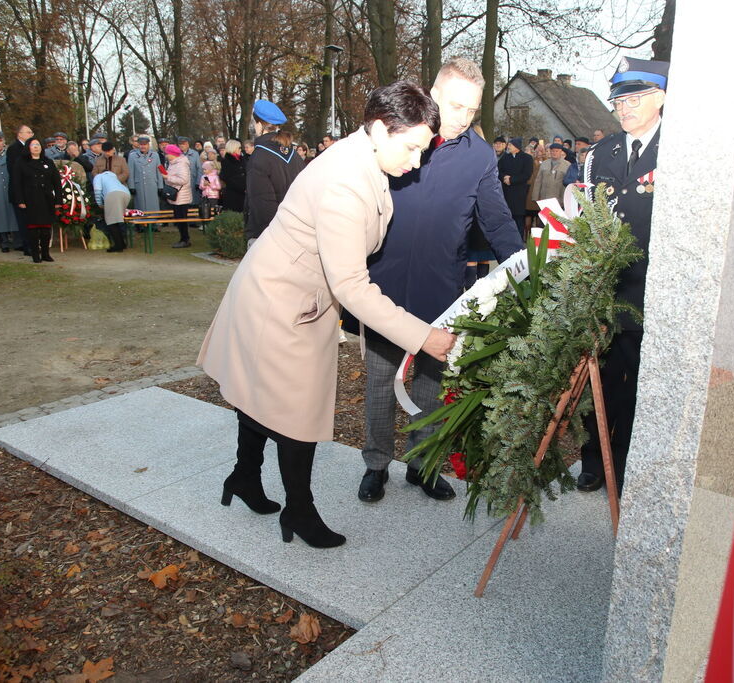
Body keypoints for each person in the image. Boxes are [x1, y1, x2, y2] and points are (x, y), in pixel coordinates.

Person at [198, 81, 455, 548]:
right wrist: (424, 337)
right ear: (380, 128)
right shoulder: (345, 181)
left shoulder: (366, 157)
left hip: (293, 290)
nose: (416, 162)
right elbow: (352, 286)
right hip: (280, 299)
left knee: (263, 396)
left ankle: (244, 476)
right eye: (413, 148)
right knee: (297, 412)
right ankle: (299, 510)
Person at [344, 57, 524, 504]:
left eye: (472, 110)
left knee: (430, 384)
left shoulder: (480, 156)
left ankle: (423, 466)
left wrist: (524, 269)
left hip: (444, 292)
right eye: (457, 106)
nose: (464, 118)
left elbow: (497, 221)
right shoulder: (401, 140)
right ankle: (376, 465)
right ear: (434, 95)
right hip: (385, 289)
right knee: (382, 382)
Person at [577, 57, 669, 496]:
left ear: (661, 98)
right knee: (600, 380)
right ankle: (593, 460)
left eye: (634, 98)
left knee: (641, 386)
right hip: (608, 293)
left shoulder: (678, 152)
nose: (623, 107)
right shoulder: (601, 154)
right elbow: (585, 220)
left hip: (653, 294)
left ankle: (629, 463)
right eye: (618, 99)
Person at [244, 99, 305, 246]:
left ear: (259, 125)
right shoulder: (295, 155)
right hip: (295, 231)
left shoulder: (259, 156)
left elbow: (261, 202)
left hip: (269, 236)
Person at [11, 137, 62, 263]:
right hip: (30, 199)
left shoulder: (48, 162)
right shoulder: (21, 162)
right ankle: (35, 254)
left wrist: (58, 200)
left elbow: (56, 182)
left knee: (45, 229)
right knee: (33, 229)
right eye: (33, 145)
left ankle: (45, 253)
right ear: (28, 147)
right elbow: (16, 183)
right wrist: (20, 200)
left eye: (38, 144)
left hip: (46, 198)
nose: (36, 147)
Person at [7, 124, 35, 254]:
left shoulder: (33, 148)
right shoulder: (14, 149)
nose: (31, 134)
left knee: (32, 219)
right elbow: (14, 172)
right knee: (23, 220)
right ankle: (26, 246)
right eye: (28, 132)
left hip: (32, 190)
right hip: (20, 191)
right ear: (20, 134)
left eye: (31, 132)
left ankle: (33, 243)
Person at [497, 137, 533, 239]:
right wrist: (504, 178)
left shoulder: (527, 158)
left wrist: (512, 179)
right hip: (506, 191)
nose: (508, 147)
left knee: (518, 217)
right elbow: (499, 171)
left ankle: (518, 240)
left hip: (519, 192)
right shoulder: (505, 158)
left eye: (510, 145)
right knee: (506, 216)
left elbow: (527, 174)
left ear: (517, 146)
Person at [93, 169, 131, 252]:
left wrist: (100, 204)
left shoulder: (99, 176)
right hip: (126, 194)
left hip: (113, 194)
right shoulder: (114, 177)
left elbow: (97, 191)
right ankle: (122, 243)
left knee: (112, 222)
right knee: (117, 220)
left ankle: (118, 246)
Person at [162, 143, 193, 248]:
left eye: (167, 153)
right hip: (177, 196)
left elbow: (184, 180)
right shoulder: (173, 163)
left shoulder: (181, 164)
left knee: (182, 219)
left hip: (182, 196)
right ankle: (183, 238)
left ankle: (185, 240)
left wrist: (167, 177)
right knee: (179, 219)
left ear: (172, 154)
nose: (166, 155)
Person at [530, 142, 571, 212]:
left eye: (556, 151)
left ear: (561, 152)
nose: (554, 153)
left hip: (558, 199)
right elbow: (538, 181)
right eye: (552, 151)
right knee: (544, 220)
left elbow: (568, 184)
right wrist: (535, 196)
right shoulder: (544, 164)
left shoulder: (567, 165)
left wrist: (565, 200)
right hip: (544, 198)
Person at [127, 135, 163, 212]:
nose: (143, 146)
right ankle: (142, 222)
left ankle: (154, 222)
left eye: (145, 144)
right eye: (141, 144)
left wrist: (160, 186)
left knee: (153, 206)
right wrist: (131, 186)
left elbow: (160, 170)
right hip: (139, 185)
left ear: (148, 145)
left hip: (152, 184)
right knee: (141, 206)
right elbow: (130, 172)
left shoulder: (155, 155)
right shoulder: (132, 156)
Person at [219, 139, 247, 213]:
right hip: (233, 194)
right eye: (239, 147)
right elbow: (226, 177)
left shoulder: (242, 159)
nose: (241, 149)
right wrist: (241, 188)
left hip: (244, 194)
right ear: (233, 148)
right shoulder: (226, 161)